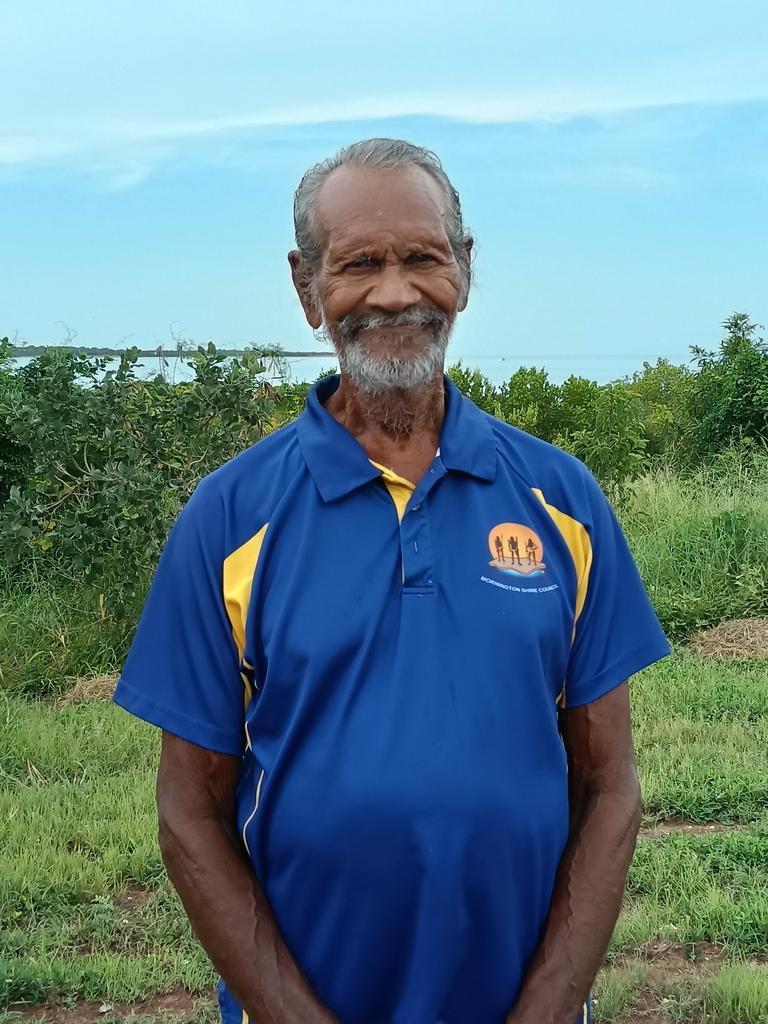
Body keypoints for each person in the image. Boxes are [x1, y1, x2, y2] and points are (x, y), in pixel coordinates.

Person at [114, 138, 670, 1024]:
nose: (395, 291)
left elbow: (609, 786)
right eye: (359, 264)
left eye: (422, 257)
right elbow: (189, 810)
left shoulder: (560, 499)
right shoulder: (229, 518)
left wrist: (550, 1009)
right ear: (306, 287)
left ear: (465, 269)